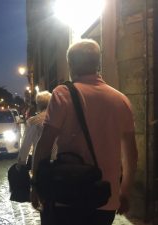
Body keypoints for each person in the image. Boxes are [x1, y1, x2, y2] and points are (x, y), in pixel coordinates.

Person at [31, 39, 138, 225]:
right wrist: (125, 191)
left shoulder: (62, 94)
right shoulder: (121, 100)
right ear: (98, 63)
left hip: (66, 195)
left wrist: (36, 185)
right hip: (105, 198)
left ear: (70, 64)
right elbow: (131, 153)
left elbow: (44, 144)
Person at [17, 91, 52, 168]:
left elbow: (26, 144)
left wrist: (21, 163)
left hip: (39, 162)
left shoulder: (33, 121)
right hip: (57, 161)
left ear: (38, 105)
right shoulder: (59, 118)